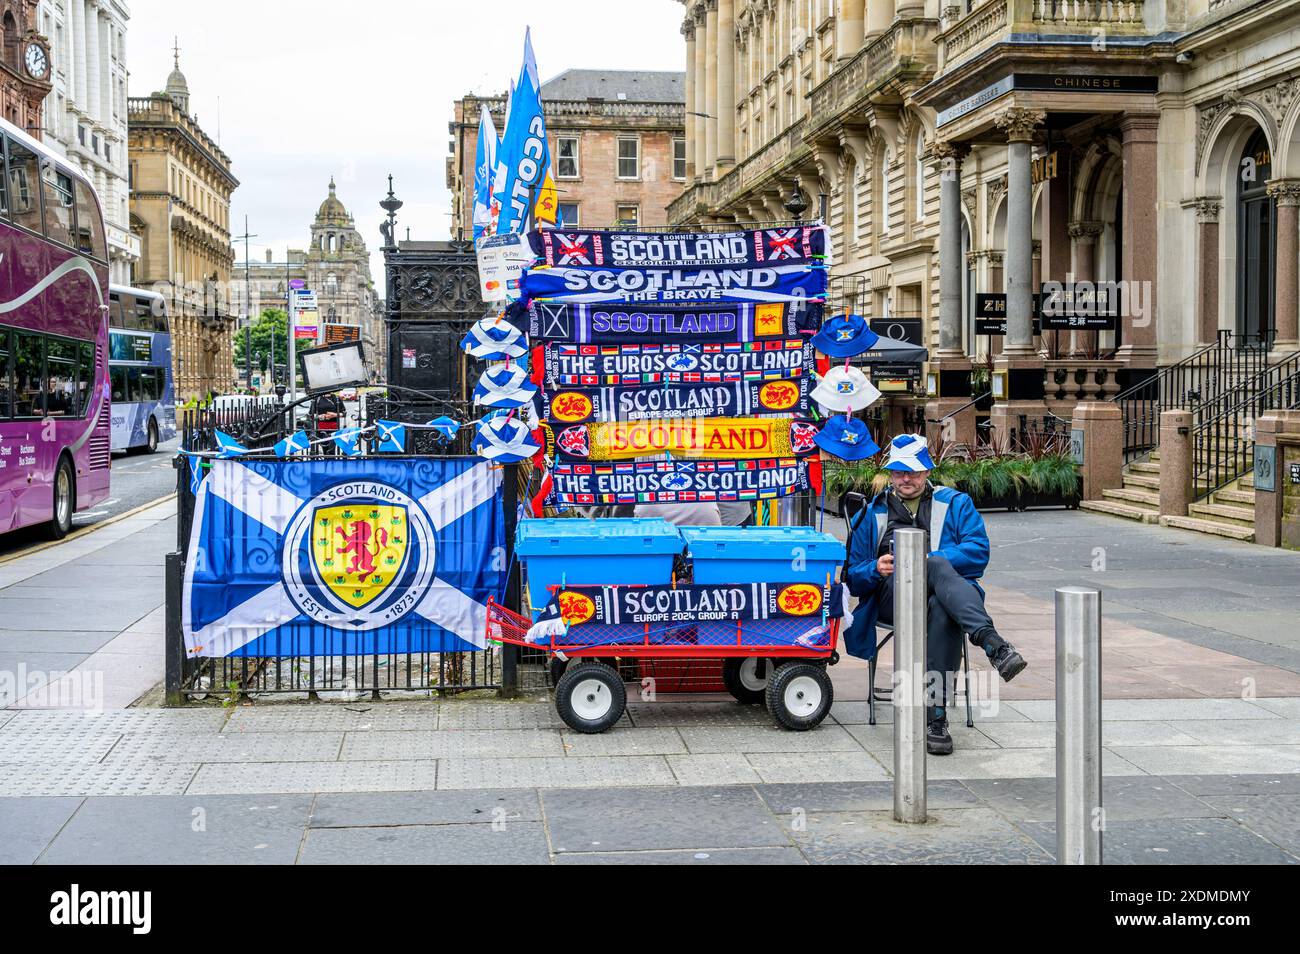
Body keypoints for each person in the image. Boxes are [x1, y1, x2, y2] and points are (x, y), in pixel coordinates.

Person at [844, 434, 1027, 756]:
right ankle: (991, 642)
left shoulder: (956, 503)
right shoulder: (871, 513)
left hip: (946, 599)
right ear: (890, 473)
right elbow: (853, 577)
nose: (906, 478)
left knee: (941, 602)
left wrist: (926, 560)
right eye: (899, 471)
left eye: (913, 471)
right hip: (892, 600)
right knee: (939, 565)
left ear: (927, 471)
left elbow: (978, 552)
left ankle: (936, 716)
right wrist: (876, 567)